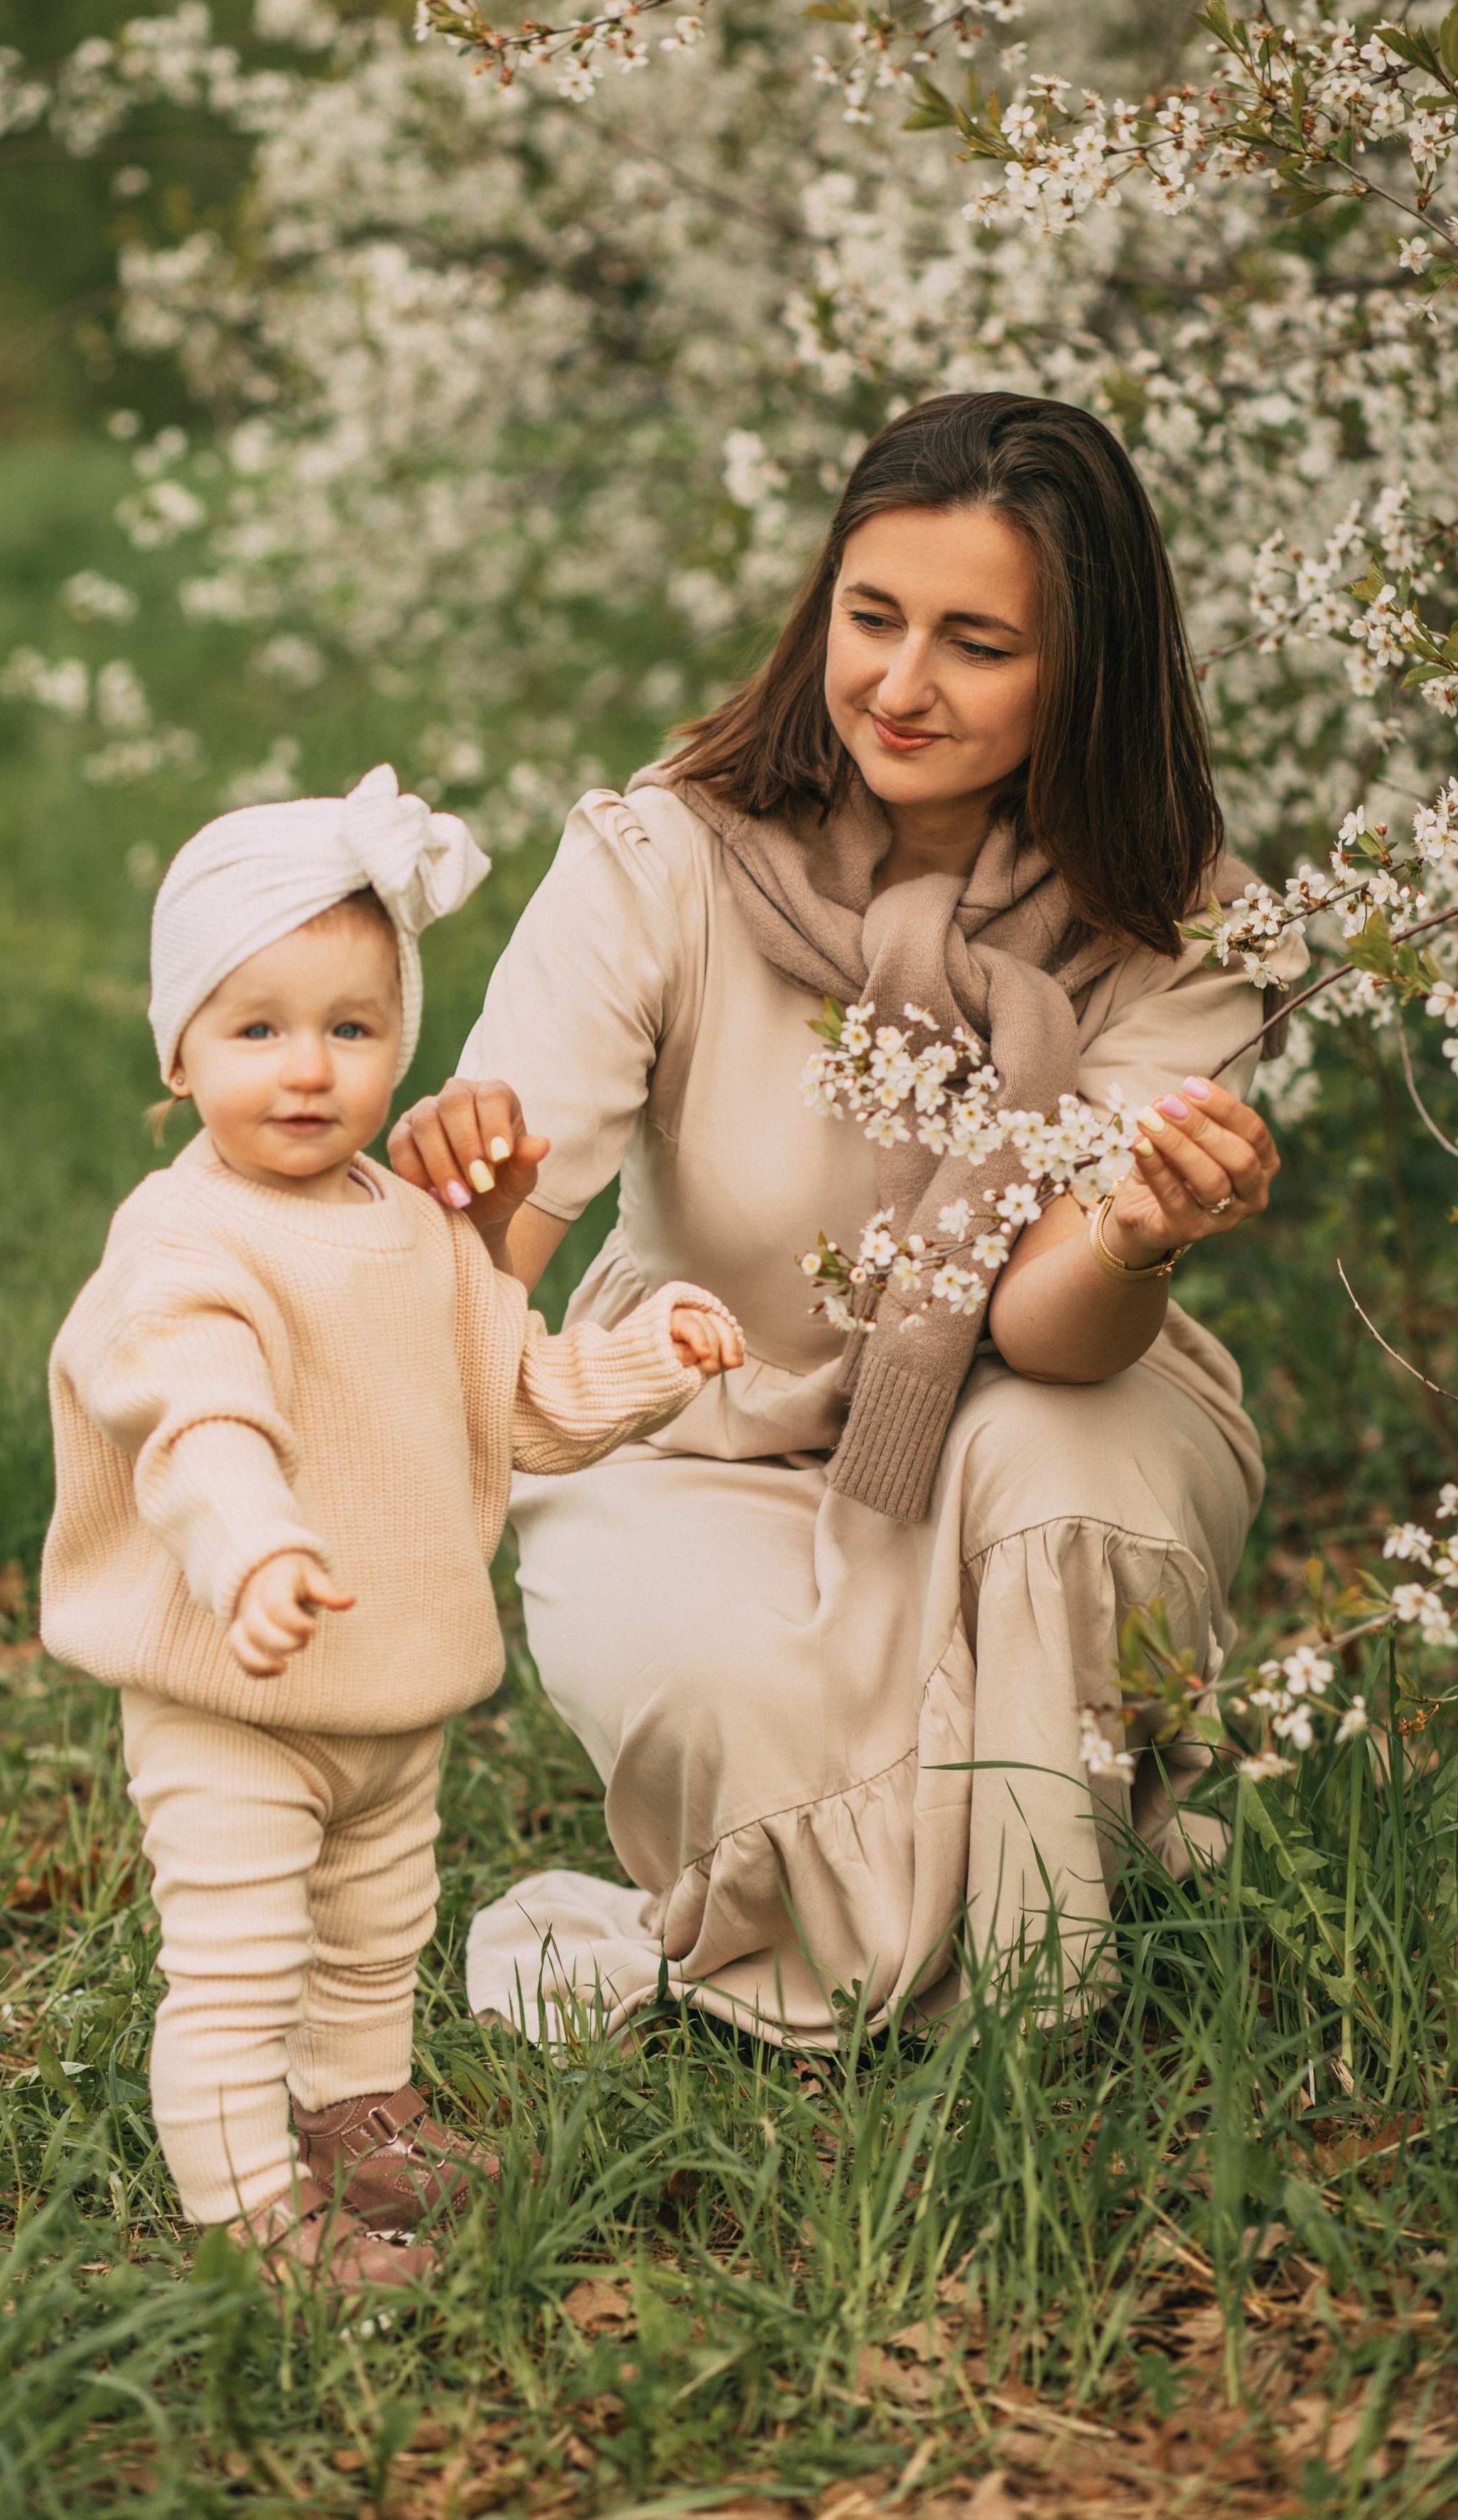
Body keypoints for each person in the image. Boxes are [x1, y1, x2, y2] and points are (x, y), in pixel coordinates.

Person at [388, 392, 1295, 2050]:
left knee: (1053, 1487)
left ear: (1081, 670)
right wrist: (465, 1208)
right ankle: (1021, 1898)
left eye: (975, 642)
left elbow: (1038, 1325)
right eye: (869, 619)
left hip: (1040, 1406)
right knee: (743, 1704)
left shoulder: (1178, 929)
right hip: (694, 1427)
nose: (897, 683)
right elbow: (499, 1247)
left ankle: (1036, 1978)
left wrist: (1141, 1235)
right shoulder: (665, 856)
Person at [39, 766, 742, 2290]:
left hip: (394, 1687)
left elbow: (520, 1396)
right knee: (235, 1973)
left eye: (350, 1030)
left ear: (398, 1042)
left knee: (370, 1937)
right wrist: (251, 1549)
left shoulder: (414, 1228)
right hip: (236, 1692)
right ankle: (255, 2229)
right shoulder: (186, 1239)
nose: (307, 1069)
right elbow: (193, 1413)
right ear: (179, 1049)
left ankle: (358, 2119)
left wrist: (646, 1357)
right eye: (256, 1030)